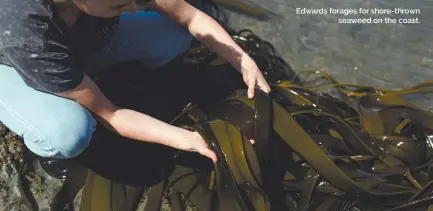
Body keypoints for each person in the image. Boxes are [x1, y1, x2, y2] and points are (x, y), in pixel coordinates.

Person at [0, 0, 270, 165]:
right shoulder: (29, 32)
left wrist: (242, 59)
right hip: (13, 62)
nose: (133, 7)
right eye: (119, 5)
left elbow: (189, 16)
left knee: (173, 35)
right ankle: (50, 149)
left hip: (76, 43)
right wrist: (188, 139)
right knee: (68, 133)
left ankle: (84, 74)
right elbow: (112, 114)